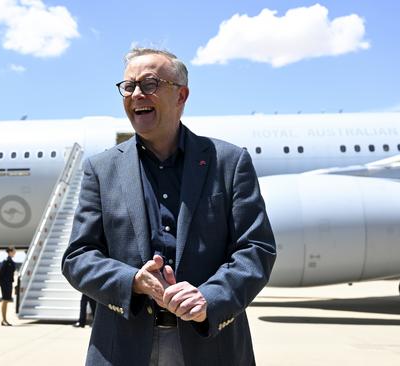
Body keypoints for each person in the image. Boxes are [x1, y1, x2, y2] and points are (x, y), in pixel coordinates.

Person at [62, 47, 276, 366]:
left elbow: (256, 249)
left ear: (181, 95)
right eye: (128, 86)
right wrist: (132, 280)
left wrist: (210, 297)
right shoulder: (101, 169)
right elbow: (79, 257)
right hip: (123, 348)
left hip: (210, 345)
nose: (136, 94)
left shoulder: (229, 163)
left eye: (149, 84)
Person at [0, 246, 16, 326]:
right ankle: (4, 319)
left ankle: (4, 319)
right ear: (10, 252)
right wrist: (0, 282)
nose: (15, 252)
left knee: (6, 300)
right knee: (4, 300)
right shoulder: (5, 261)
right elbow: (0, 273)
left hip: (9, 283)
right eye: (14, 251)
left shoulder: (11, 261)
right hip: (5, 283)